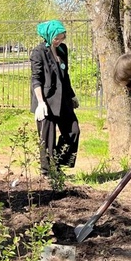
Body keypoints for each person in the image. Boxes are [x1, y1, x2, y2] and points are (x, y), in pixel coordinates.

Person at [30, 20, 80, 176]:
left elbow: (65, 76)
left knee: (73, 130)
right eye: (56, 38)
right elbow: (36, 79)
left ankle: (58, 162)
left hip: (63, 98)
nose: (59, 41)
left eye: (62, 37)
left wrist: (72, 96)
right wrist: (40, 103)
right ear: (49, 36)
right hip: (46, 100)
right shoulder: (38, 52)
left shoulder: (62, 50)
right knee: (48, 139)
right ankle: (48, 172)